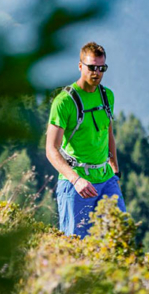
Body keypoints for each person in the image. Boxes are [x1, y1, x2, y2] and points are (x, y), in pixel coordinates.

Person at [45, 41, 125, 237]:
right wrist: (76, 180)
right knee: (76, 246)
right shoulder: (64, 102)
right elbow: (51, 149)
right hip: (76, 184)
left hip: (106, 179)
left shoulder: (107, 96)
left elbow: (108, 133)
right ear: (80, 66)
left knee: (121, 236)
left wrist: (115, 168)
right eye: (91, 67)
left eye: (101, 68)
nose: (96, 72)